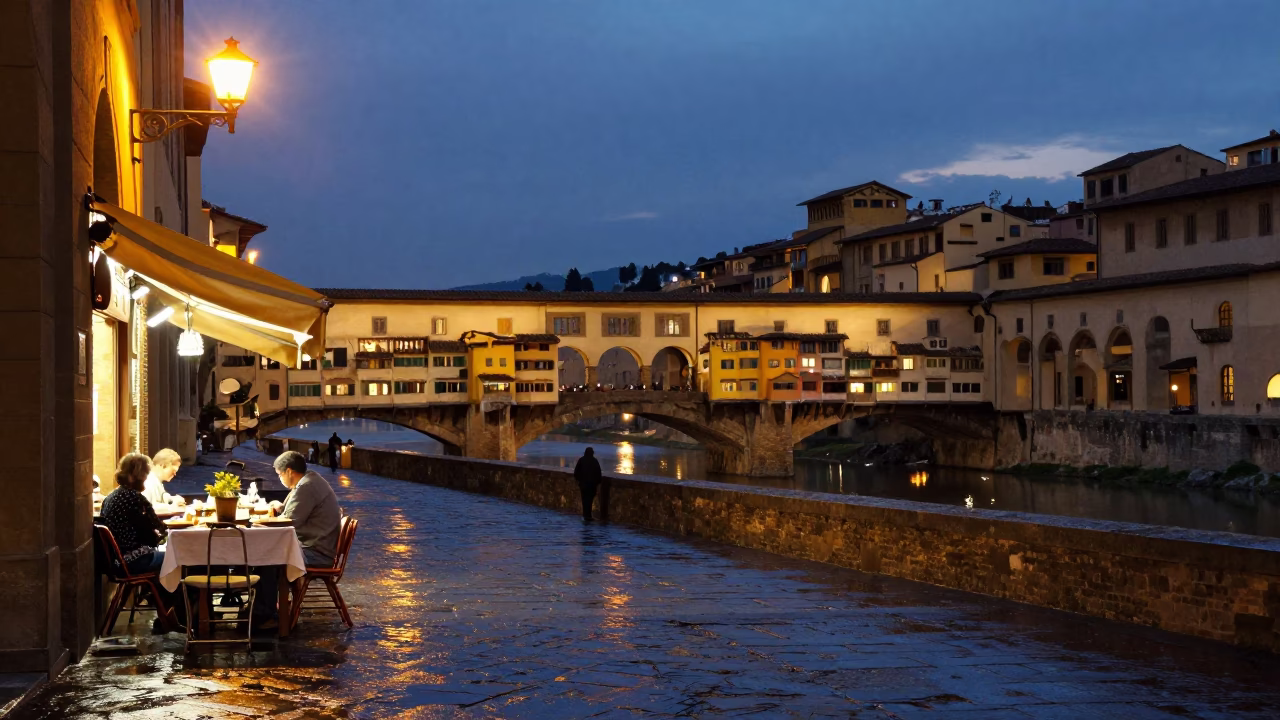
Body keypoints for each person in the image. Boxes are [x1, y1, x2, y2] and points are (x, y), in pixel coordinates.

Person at [99, 453, 184, 631]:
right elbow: (155, 530)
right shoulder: (135, 498)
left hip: (116, 560)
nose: (146, 479)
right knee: (177, 560)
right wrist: (162, 535)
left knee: (168, 559)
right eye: (145, 475)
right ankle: (172, 617)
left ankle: (167, 615)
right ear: (138, 475)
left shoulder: (111, 497)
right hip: (133, 560)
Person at [573, 447, 603, 522]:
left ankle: (585, 515)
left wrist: (579, 480)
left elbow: (576, 472)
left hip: (583, 485)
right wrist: (597, 483)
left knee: (584, 500)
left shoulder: (581, 460)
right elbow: (599, 474)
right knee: (589, 500)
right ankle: (588, 515)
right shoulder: (595, 461)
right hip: (592, 485)